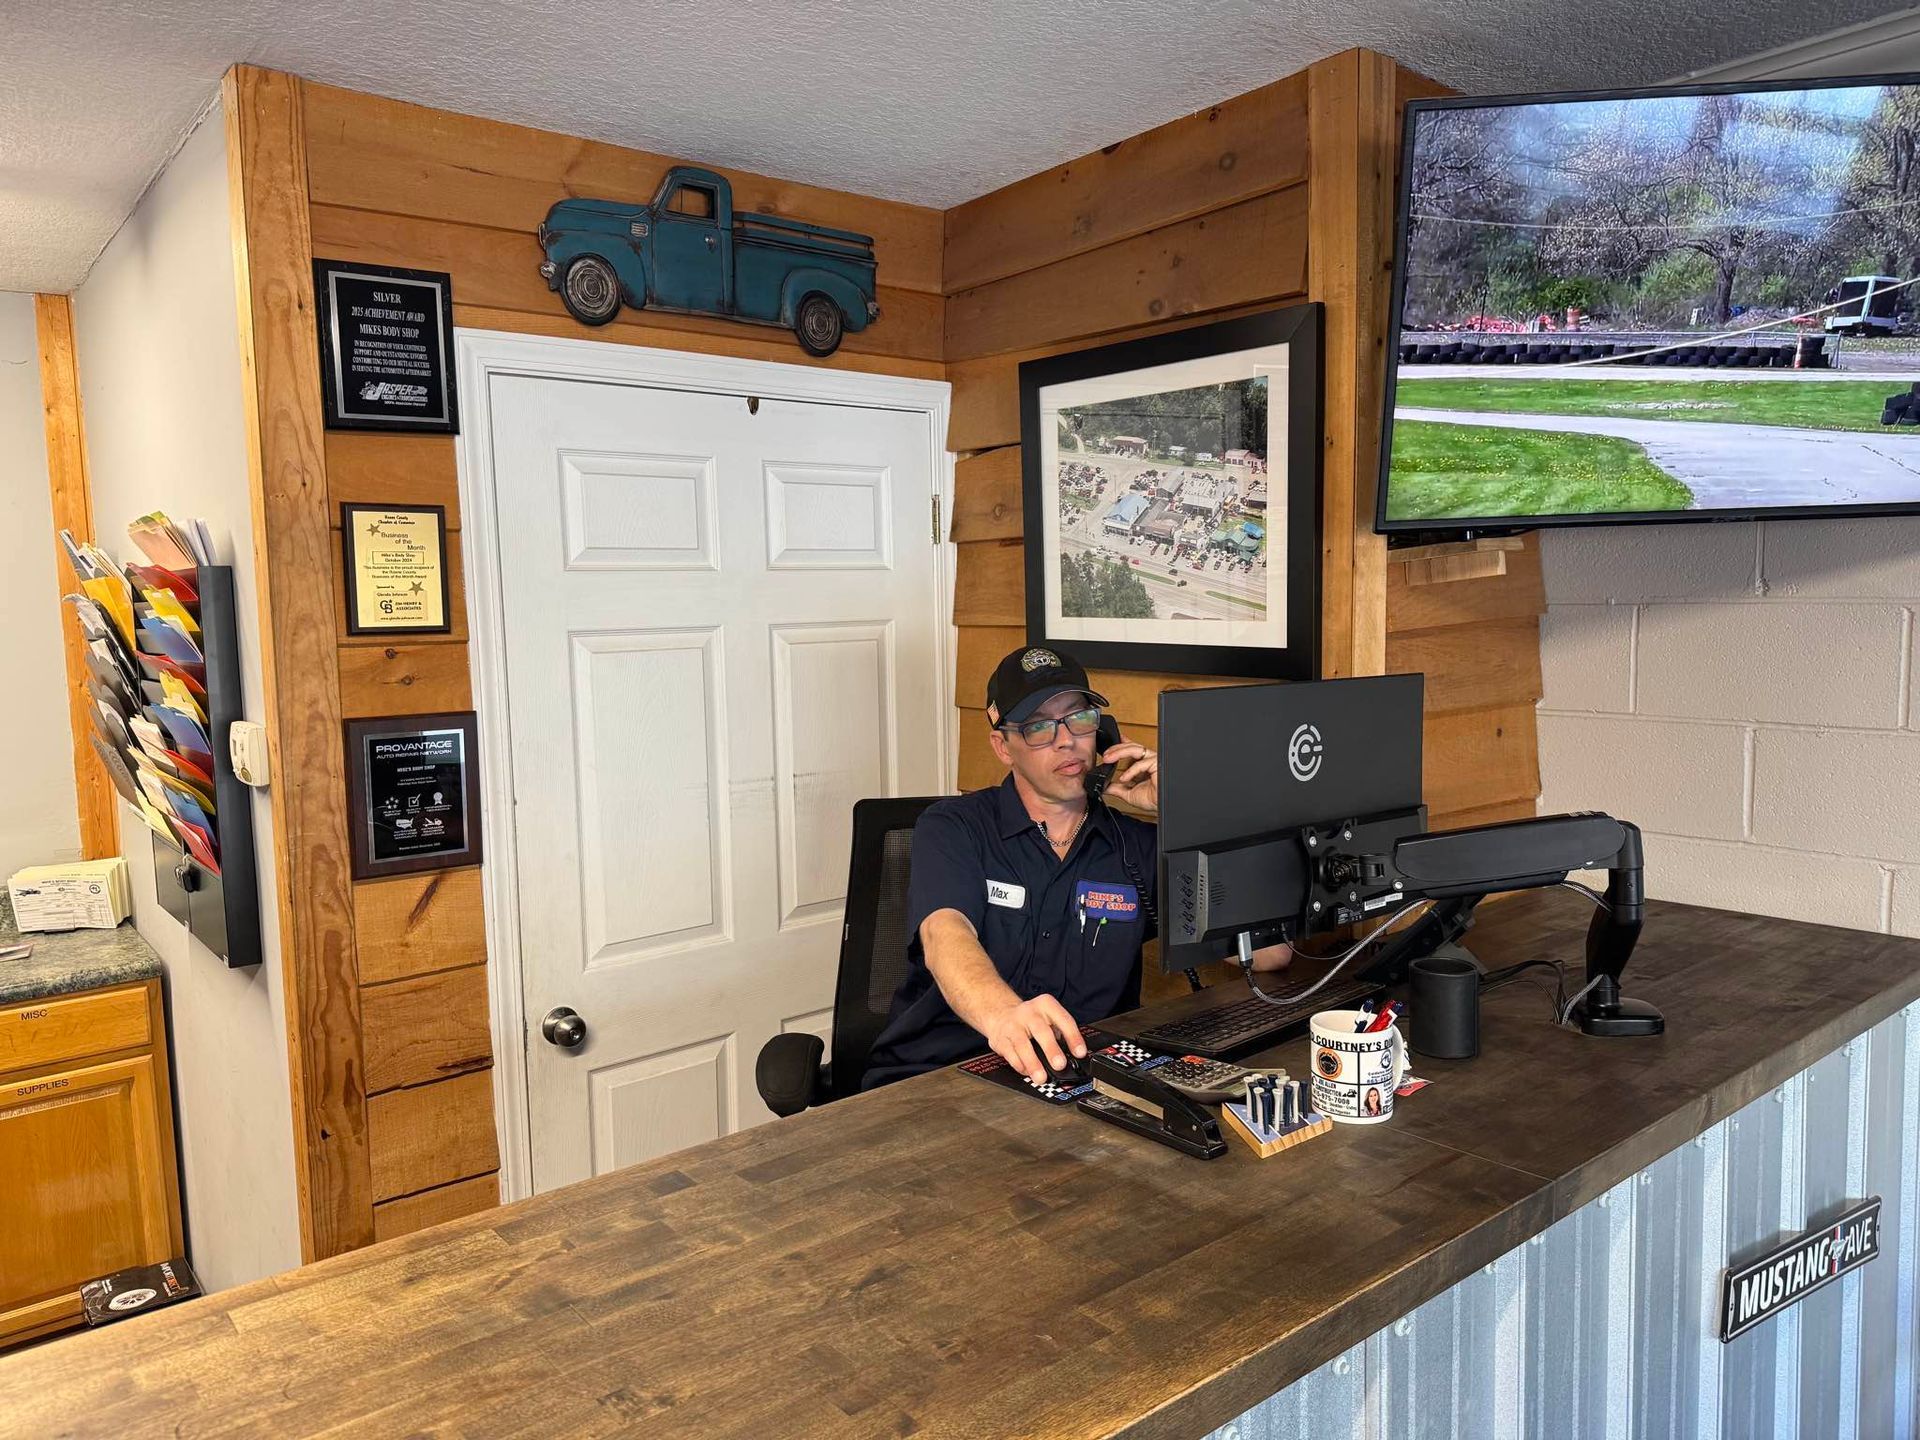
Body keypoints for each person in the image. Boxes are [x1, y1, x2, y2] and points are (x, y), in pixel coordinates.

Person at [861, 644, 1292, 1089]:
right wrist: (1007, 1016)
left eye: (1078, 718)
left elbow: (1270, 954)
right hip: (938, 1077)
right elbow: (944, 934)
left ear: (1101, 730)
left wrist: (1186, 815)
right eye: (1038, 728)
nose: (1066, 740)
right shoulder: (954, 827)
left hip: (1079, 1083)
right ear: (1003, 746)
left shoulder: (1138, 847)